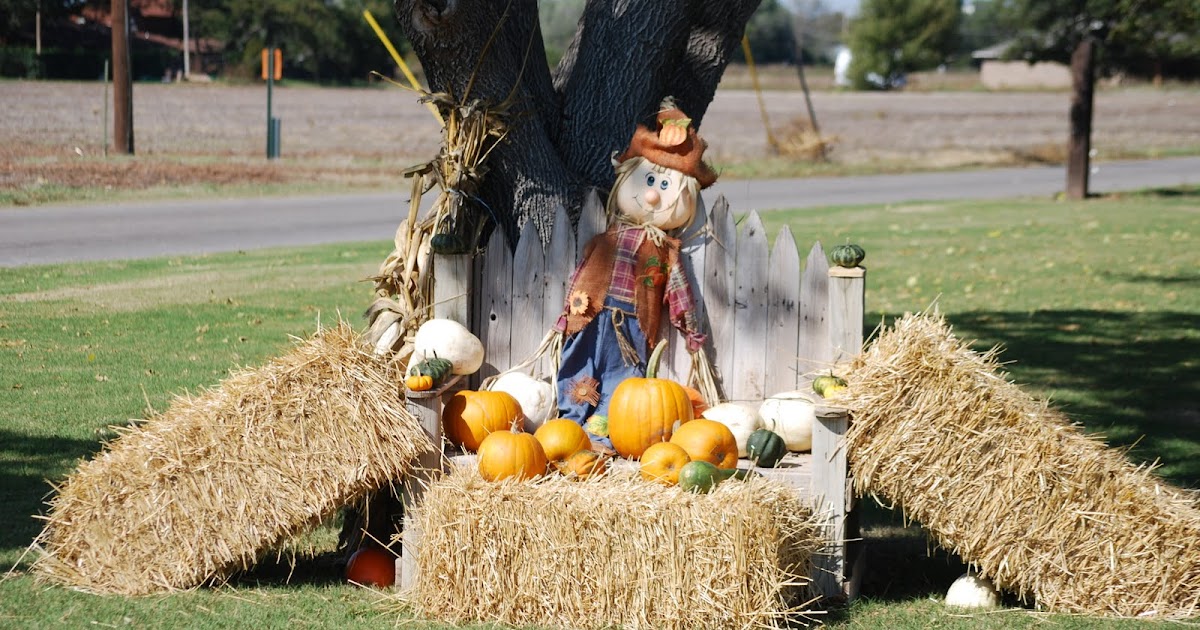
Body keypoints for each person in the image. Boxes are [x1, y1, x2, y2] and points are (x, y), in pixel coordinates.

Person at [554, 102, 717, 444]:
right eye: (648, 181)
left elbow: (678, 293)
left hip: (633, 324)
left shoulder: (665, 250)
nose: (653, 194)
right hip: (591, 313)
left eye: (664, 185)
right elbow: (584, 272)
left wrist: (690, 330)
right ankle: (569, 422)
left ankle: (602, 431)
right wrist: (567, 313)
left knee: (623, 379)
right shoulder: (608, 238)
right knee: (578, 362)